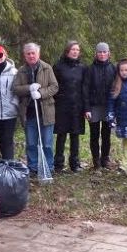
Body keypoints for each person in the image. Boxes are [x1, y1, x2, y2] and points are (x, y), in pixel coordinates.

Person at [13, 42, 59, 176]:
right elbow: (15, 88)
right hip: (29, 113)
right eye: (28, 53)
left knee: (47, 144)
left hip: (46, 112)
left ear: (38, 54)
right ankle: (33, 168)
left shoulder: (46, 68)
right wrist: (29, 88)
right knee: (31, 144)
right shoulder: (21, 71)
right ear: (25, 55)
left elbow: (54, 87)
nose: (31, 55)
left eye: (33, 53)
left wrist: (41, 93)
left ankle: (48, 167)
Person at [52, 41, 86, 172]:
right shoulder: (58, 66)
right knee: (61, 135)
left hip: (77, 106)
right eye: (73, 49)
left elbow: (85, 88)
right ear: (67, 51)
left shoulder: (82, 68)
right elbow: (54, 86)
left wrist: (85, 106)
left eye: (77, 49)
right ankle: (58, 164)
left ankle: (74, 164)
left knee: (75, 135)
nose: (75, 52)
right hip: (61, 106)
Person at [83, 42, 116, 169]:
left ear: (108, 53)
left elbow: (117, 88)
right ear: (96, 54)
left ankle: (105, 159)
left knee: (106, 135)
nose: (102, 54)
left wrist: (115, 108)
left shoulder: (113, 69)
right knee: (94, 134)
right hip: (94, 107)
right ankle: (96, 160)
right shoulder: (90, 69)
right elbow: (85, 89)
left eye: (104, 52)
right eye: (100, 52)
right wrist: (86, 108)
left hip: (108, 107)